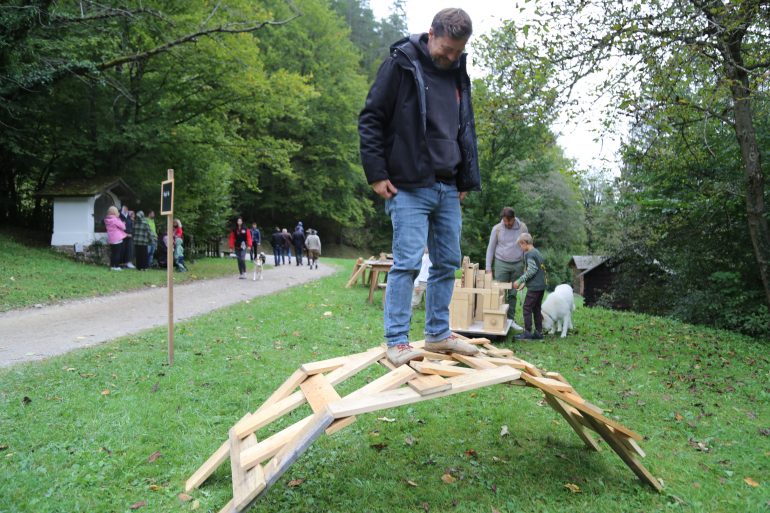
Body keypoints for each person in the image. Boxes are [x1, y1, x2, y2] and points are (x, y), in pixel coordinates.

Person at [359, 8, 481, 366]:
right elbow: (371, 118)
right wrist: (376, 172)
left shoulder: (458, 73)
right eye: (446, 49)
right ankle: (397, 342)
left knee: (447, 263)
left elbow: (463, 127)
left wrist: (463, 177)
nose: (450, 57)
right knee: (408, 263)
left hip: (447, 186)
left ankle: (439, 335)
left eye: (458, 51)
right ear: (431, 34)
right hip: (408, 185)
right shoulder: (402, 64)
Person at [485, 207, 529, 330]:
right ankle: (500, 319)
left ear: (514, 218)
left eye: (510, 221)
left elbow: (527, 248)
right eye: (505, 221)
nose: (508, 223)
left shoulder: (522, 228)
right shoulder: (497, 229)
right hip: (501, 264)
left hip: (518, 264)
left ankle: (511, 319)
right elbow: (490, 248)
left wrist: (527, 267)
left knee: (513, 293)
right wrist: (488, 268)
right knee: (500, 292)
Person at [513, 233, 546, 340]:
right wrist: (525, 283)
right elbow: (537, 270)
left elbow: (532, 270)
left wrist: (520, 280)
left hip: (535, 287)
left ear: (524, 243)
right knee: (536, 308)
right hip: (541, 285)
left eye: (520, 245)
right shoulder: (537, 252)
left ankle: (527, 332)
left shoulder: (529, 254)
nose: (521, 248)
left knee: (527, 308)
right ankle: (538, 332)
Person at [104, 206, 127, 271]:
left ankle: (112, 266)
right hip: (117, 238)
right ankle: (116, 266)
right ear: (115, 212)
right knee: (117, 253)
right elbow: (123, 227)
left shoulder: (107, 219)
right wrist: (123, 223)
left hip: (111, 239)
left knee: (113, 253)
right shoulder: (115, 219)